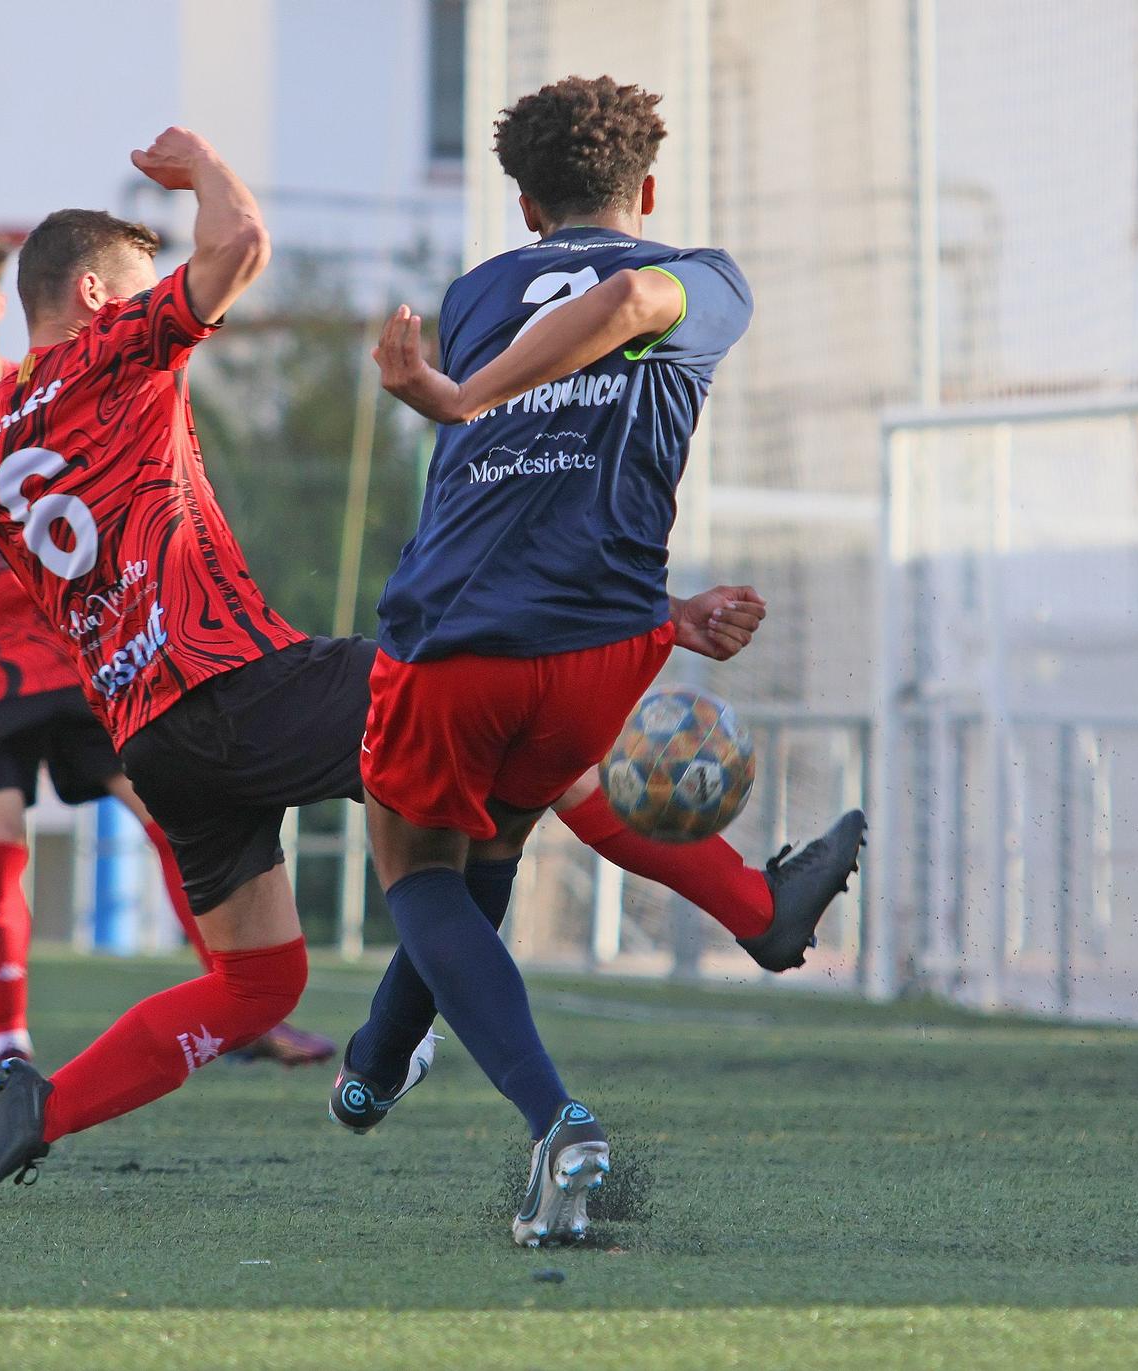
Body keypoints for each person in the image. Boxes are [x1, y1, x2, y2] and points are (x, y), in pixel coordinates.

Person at [0, 125, 827, 1213]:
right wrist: (202, 166)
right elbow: (238, 251)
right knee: (494, 751)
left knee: (256, 978)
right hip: (241, 683)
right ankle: (613, 1000)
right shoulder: (111, 354)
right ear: (97, 296)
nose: (162, 292)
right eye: (140, 277)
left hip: (154, 739)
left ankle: (38, 1109)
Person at [342, 76, 866, 1246]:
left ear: (524, 205)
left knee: (416, 866)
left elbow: (609, 315)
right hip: (604, 644)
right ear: (647, 187)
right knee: (497, 841)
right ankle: (374, 1067)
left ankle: (551, 1119)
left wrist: (452, 391)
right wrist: (673, 615)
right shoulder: (711, 281)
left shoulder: (478, 295)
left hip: (457, 632)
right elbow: (631, 308)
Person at [0, 231, 334, 1067]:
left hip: (79, 658)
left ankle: (241, 1005)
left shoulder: (55, 386)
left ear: (4, 301)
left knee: (167, 813)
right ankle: (9, 1044)